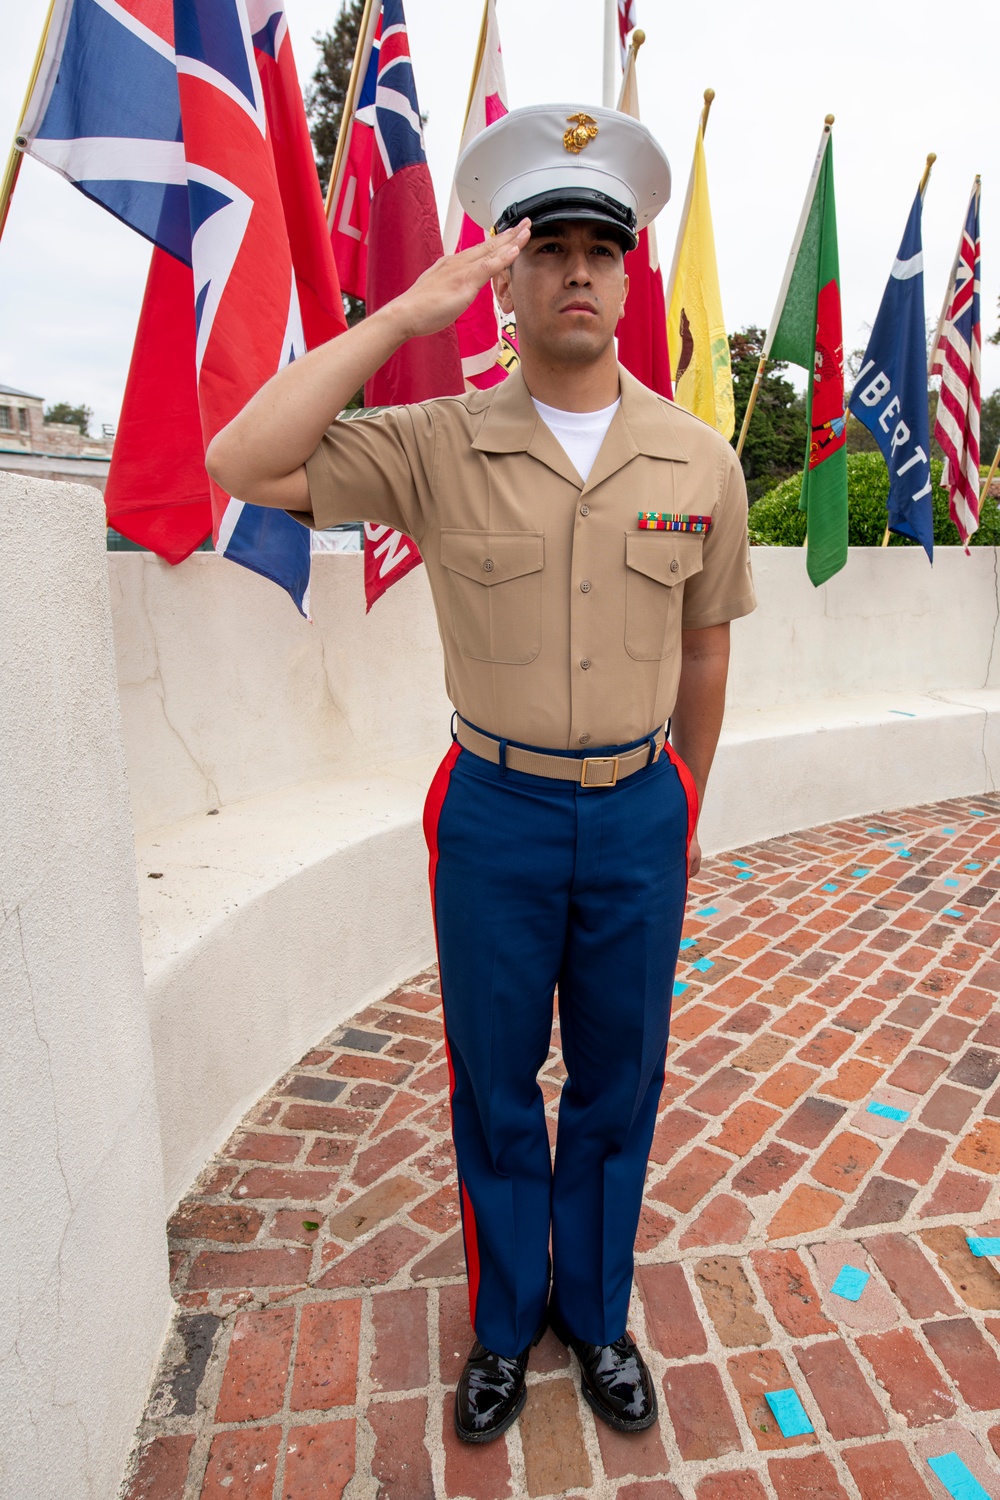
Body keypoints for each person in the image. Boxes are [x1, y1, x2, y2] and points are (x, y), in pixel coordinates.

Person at [207, 101, 755, 1445]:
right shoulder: (436, 442)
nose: (577, 270)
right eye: (548, 246)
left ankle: (599, 1314)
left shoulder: (698, 459)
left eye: (600, 250)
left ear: (627, 277)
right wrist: (400, 320)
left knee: (621, 1083)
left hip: (638, 808)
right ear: (506, 277)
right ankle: (508, 1321)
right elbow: (240, 457)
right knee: (497, 1082)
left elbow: (703, 650)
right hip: (497, 809)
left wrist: (684, 801)